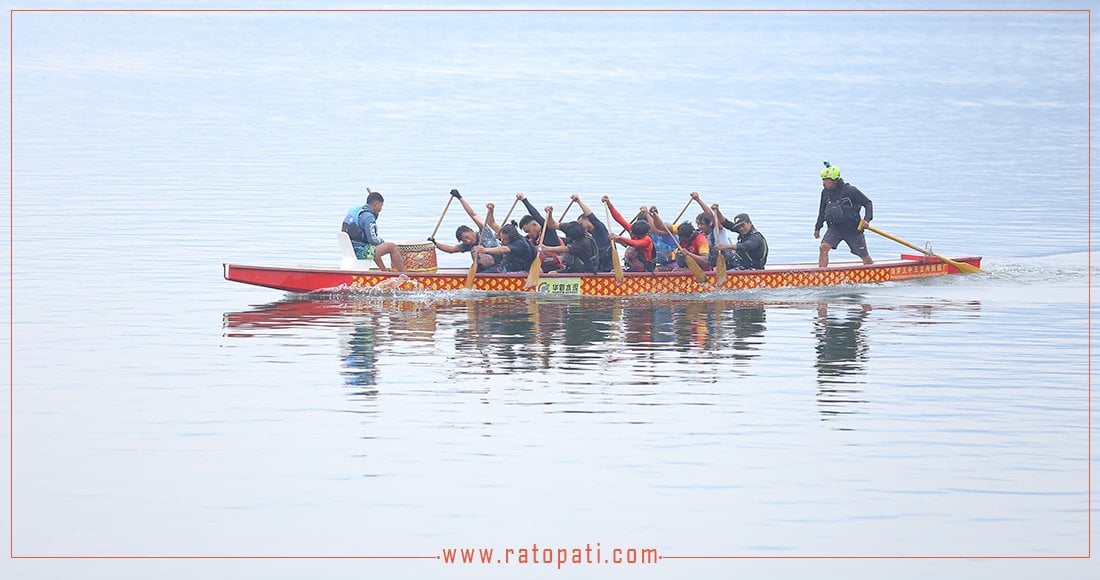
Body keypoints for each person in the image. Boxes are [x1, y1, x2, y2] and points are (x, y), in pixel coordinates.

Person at [814, 162, 873, 268]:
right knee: (823, 247)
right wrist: (817, 228)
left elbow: (868, 203)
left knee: (863, 255)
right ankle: (821, 274)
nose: (823, 183)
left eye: (826, 180)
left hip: (853, 229)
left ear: (834, 180)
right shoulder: (825, 193)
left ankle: (871, 271)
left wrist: (867, 219)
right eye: (823, 180)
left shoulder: (851, 191)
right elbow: (822, 211)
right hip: (835, 228)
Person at [428, 189, 501, 272]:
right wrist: (434, 243)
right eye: (464, 240)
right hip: (484, 268)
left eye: (467, 237)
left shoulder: (484, 233)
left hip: (499, 265)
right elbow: (452, 249)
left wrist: (459, 198)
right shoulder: (468, 245)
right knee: (475, 253)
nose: (468, 240)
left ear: (471, 231)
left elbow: (473, 215)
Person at [340, 190, 406, 273]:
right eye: (381, 206)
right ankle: (403, 275)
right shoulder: (368, 217)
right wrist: (382, 242)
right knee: (392, 247)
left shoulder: (358, 211)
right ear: (376, 205)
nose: (381, 209)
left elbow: (371, 245)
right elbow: (373, 240)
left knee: (373, 248)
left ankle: (384, 271)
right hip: (360, 251)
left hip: (352, 249)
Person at [515, 192, 565, 272]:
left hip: (554, 269)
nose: (528, 234)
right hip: (538, 268)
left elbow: (536, 215)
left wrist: (524, 200)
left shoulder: (548, 231)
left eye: (528, 231)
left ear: (535, 225)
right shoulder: (530, 239)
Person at [649, 206, 709, 271]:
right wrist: (655, 215)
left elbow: (705, 260)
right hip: (684, 264)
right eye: (679, 237)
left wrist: (689, 254)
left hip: (700, 269)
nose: (680, 240)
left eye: (684, 239)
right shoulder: (680, 229)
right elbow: (660, 226)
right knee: (656, 269)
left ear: (690, 236)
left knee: (677, 271)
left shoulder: (701, 240)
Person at [686, 191, 736, 269]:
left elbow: (711, 216)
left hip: (728, 264)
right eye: (698, 224)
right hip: (712, 265)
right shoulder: (700, 235)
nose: (699, 227)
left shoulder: (718, 231)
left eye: (701, 224)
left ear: (710, 224)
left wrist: (698, 200)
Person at [604, 196, 655, 272]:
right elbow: (619, 219)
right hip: (632, 266)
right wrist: (609, 204)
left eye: (635, 235)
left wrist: (618, 238)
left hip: (644, 269)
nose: (632, 235)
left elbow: (635, 243)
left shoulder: (647, 240)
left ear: (642, 235)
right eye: (632, 233)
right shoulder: (633, 230)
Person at [713, 206, 769, 270]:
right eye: (739, 227)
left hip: (754, 271)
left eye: (743, 225)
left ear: (750, 222)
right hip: (742, 266)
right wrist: (717, 211)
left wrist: (725, 246)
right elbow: (726, 223)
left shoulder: (756, 238)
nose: (741, 229)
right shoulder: (744, 232)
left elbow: (745, 246)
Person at [570, 195, 613, 272]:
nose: (581, 227)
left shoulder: (600, 229)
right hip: (595, 266)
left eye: (581, 224)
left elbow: (591, 216)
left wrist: (578, 201)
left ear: (586, 220)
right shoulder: (586, 235)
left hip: (606, 266)